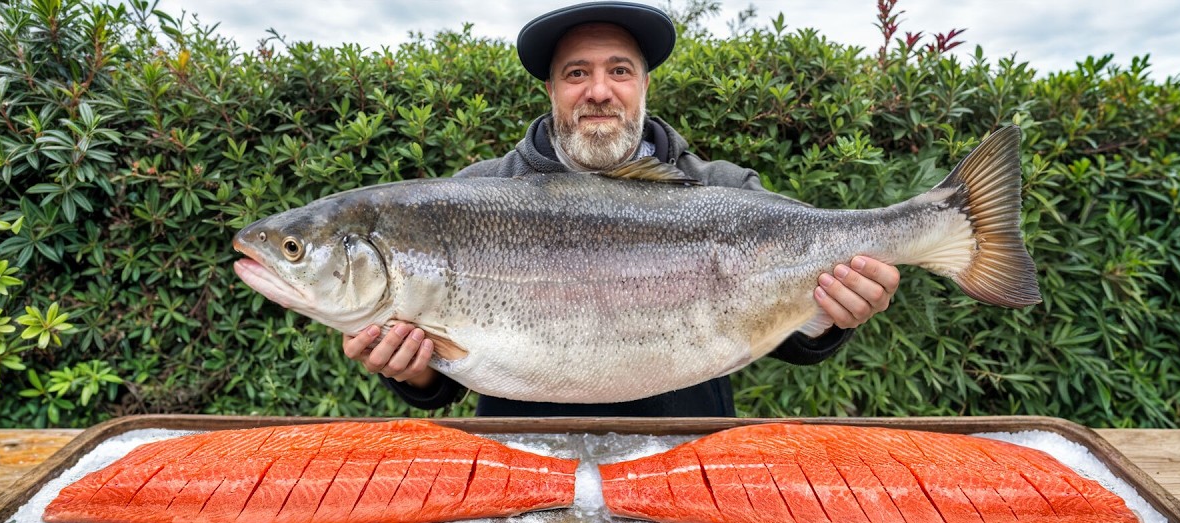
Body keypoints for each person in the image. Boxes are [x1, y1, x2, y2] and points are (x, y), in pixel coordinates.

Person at [342, 1, 900, 417]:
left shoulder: (723, 189)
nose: (599, 91)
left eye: (619, 70)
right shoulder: (474, 195)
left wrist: (830, 318)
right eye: (577, 73)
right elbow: (449, 378)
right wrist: (414, 374)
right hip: (527, 469)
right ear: (552, 91)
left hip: (687, 464)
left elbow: (792, 342)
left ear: (644, 84)